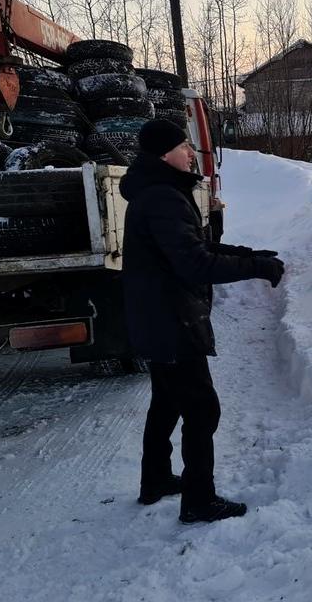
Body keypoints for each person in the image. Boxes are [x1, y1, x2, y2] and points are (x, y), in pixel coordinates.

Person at [120, 119, 285, 523]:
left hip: (157, 316)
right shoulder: (163, 197)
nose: (191, 153)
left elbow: (193, 245)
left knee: (166, 402)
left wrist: (248, 252)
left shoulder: (155, 192)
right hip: (172, 320)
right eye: (183, 147)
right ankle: (199, 500)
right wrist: (257, 267)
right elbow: (195, 263)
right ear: (163, 155)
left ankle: (155, 479)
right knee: (201, 409)